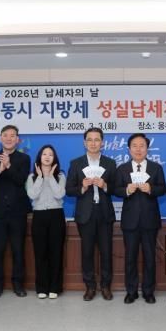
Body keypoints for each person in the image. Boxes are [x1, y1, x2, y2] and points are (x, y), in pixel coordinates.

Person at [114, 133, 166, 304]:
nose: (138, 149)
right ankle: (131, 291)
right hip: (130, 221)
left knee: (150, 257)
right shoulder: (122, 169)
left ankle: (148, 291)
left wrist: (150, 189)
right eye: (134, 146)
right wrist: (127, 190)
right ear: (129, 149)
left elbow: (162, 188)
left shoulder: (156, 168)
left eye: (142, 145)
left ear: (147, 148)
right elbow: (116, 189)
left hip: (150, 220)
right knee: (130, 258)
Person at [65, 127, 116, 301]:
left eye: (97, 140)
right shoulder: (76, 163)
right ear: (84, 143)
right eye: (90, 140)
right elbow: (69, 190)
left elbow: (117, 188)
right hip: (85, 214)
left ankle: (106, 286)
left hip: (104, 213)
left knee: (106, 252)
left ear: (102, 143)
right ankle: (90, 287)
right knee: (87, 252)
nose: (93, 143)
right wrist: (83, 187)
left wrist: (105, 185)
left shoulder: (110, 163)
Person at [0, 125, 31, 298]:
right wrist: (0, 169)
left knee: (18, 250)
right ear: (0, 138)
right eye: (5, 135)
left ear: (17, 139)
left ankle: (18, 284)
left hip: (18, 211)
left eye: (12, 136)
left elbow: (20, 180)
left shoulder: (24, 158)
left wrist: (9, 166)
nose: (9, 138)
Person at [27, 145, 66, 299]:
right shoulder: (32, 177)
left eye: (50, 154)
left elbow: (59, 194)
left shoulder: (60, 176)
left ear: (54, 158)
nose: (47, 156)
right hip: (39, 216)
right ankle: (42, 288)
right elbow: (32, 195)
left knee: (56, 253)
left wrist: (49, 177)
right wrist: (40, 177)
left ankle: (55, 287)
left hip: (56, 215)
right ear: (40, 157)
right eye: (44, 154)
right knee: (40, 253)